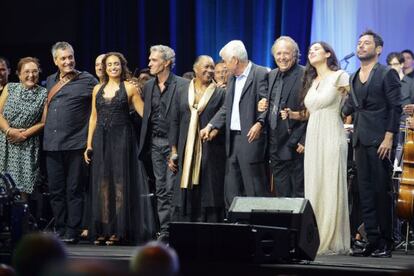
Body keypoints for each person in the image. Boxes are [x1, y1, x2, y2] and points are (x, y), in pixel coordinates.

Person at [282, 42, 351, 254]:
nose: (311, 52)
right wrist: (293, 114)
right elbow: (311, 112)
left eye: (316, 49)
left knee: (330, 183)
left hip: (332, 134)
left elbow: (352, 104)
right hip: (313, 136)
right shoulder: (312, 81)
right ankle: (314, 236)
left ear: (328, 53)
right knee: (314, 184)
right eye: (310, 50)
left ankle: (331, 238)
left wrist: (348, 123)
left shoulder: (340, 76)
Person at [84, 52, 154, 245]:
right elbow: (93, 118)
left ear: (122, 66)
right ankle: (104, 228)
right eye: (109, 65)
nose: (113, 67)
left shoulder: (130, 88)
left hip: (123, 139)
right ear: (104, 68)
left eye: (116, 64)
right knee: (103, 185)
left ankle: (118, 229)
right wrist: (89, 144)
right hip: (101, 140)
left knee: (120, 185)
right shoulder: (97, 88)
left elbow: (144, 114)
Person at [343, 30, 401, 258]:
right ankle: (372, 240)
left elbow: (395, 107)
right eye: (359, 43)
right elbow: (352, 106)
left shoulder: (386, 74)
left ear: (378, 49)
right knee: (365, 192)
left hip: (380, 140)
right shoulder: (354, 75)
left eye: (366, 43)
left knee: (380, 191)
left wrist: (389, 136)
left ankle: (386, 241)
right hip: (360, 139)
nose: (361, 46)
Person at [200, 40, 269, 209]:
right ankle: (236, 227)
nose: (223, 66)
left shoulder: (260, 73)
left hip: (251, 139)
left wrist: (260, 123)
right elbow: (226, 107)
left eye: (224, 61)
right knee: (232, 189)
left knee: (253, 189)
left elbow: (267, 102)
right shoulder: (232, 79)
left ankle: (258, 228)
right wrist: (211, 125)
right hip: (232, 141)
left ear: (235, 60)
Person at [43, 41, 98, 244]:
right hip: (52, 144)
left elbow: (103, 95)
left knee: (74, 189)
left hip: (76, 144)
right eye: (63, 58)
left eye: (70, 57)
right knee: (56, 190)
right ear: (55, 61)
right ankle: (60, 226)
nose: (68, 61)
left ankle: (72, 230)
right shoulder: (49, 81)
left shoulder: (87, 79)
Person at [138, 45, 189, 243]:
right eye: (150, 59)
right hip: (155, 143)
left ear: (166, 62)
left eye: (154, 60)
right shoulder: (149, 85)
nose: (149, 63)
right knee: (160, 188)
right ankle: (165, 229)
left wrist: (176, 147)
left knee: (171, 187)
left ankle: (175, 228)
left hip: (173, 143)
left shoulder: (183, 84)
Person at [169, 55, 226, 222]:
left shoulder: (220, 93)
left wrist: (215, 129)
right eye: (206, 67)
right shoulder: (181, 91)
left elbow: (225, 117)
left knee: (208, 188)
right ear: (195, 68)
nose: (210, 71)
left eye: (212, 67)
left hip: (210, 148)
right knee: (184, 190)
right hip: (185, 148)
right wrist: (173, 150)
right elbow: (174, 120)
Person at [257, 36, 306, 197]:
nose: (282, 57)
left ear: (295, 54)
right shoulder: (271, 75)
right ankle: (284, 222)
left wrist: (304, 139)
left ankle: (299, 223)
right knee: (281, 194)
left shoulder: (305, 75)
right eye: (278, 53)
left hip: (295, 143)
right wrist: (263, 104)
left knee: (298, 193)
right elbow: (270, 103)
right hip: (275, 144)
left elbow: (313, 110)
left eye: (286, 53)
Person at [0, 57, 47, 201]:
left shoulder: (44, 93)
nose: (31, 75)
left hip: (27, 146)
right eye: (26, 72)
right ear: (19, 74)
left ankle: (20, 222)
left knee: (22, 194)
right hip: (4, 143)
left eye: (34, 71)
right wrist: (9, 130)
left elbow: (43, 122)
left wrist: (23, 135)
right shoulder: (10, 88)